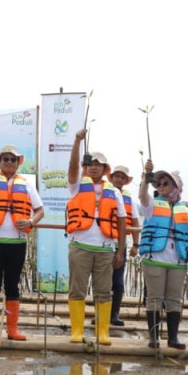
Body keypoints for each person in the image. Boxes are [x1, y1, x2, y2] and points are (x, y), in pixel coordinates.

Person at [0, 142, 44, 340]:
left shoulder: (27, 184)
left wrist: (30, 221)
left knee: (13, 285)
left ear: (18, 163)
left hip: (17, 244)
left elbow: (40, 211)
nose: (9, 162)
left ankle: (13, 329)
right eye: (6, 159)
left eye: (13, 159)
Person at [66, 130, 126, 345]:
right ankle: (77, 331)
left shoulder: (115, 192)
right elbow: (73, 167)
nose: (93, 167)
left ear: (104, 169)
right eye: (90, 163)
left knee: (104, 291)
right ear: (86, 166)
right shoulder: (76, 185)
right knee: (77, 290)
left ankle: (102, 333)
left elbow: (121, 221)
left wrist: (120, 250)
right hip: (80, 246)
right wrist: (77, 141)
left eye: (98, 164)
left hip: (105, 249)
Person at [137, 160, 188, 349]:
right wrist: (146, 178)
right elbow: (142, 196)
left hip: (177, 262)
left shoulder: (185, 210)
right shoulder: (151, 205)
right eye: (159, 183)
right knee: (154, 299)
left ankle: (173, 338)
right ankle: (154, 338)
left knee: (174, 300)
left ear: (176, 187)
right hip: (154, 260)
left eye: (166, 183)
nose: (161, 187)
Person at [107, 165, 141, 326]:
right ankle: (101, 314)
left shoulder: (129, 199)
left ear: (126, 181)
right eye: (117, 176)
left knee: (118, 282)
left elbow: (134, 222)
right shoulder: (103, 193)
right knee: (103, 282)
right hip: (104, 243)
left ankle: (114, 314)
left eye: (122, 177)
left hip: (120, 244)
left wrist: (135, 244)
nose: (119, 180)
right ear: (112, 178)